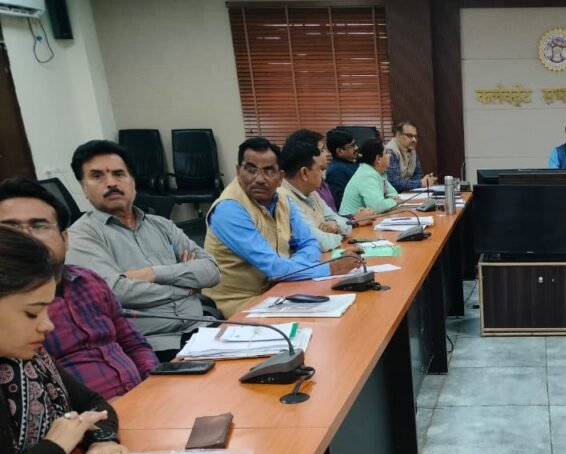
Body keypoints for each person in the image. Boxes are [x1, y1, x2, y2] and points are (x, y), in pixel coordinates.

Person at [0, 226, 131, 454]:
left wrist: (101, 442)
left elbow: (93, 404)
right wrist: (54, 446)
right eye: (32, 313)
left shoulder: (26, 356)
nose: (47, 325)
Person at [0, 179, 158, 399]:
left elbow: (134, 344)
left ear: (65, 238)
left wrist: (153, 384)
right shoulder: (10, 311)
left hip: (143, 397)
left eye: (39, 226)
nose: (26, 236)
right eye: (10, 228)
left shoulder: (89, 280)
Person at [66, 140, 222, 360]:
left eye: (119, 174)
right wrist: (187, 286)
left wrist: (152, 273)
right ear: (83, 188)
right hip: (150, 347)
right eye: (97, 176)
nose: (111, 182)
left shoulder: (162, 225)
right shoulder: (81, 236)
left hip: (202, 329)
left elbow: (211, 271)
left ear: (132, 182)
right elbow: (114, 291)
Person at [203, 137, 363, 318]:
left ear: (280, 177)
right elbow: (273, 267)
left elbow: (309, 243)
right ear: (238, 171)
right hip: (240, 304)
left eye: (268, 171)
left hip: (280, 290)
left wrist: (292, 269)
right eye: (251, 170)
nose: (259, 179)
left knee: (350, 309)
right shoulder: (229, 209)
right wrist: (331, 268)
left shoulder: (283, 198)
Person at [279, 138, 355, 252]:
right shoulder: (283, 198)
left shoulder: (312, 192)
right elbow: (320, 242)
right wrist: (339, 235)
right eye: (319, 169)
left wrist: (335, 225)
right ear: (304, 173)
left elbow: (346, 225)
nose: (322, 173)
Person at [339, 138, 402, 216]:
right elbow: (378, 207)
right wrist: (394, 202)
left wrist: (389, 201)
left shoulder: (378, 172)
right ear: (378, 159)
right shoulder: (366, 175)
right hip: (351, 221)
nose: (389, 155)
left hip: (367, 219)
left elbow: (393, 194)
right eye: (386, 152)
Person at [286, 128, 337, 211]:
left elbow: (331, 215)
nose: (327, 154)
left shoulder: (315, 189)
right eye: (322, 150)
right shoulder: (287, 198)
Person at [385, 120, 436, 192]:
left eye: (415, 136)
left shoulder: (411, 149)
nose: (414, 140)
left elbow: (418, 175)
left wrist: (424, 181)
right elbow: (395, 183)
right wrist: (421, 183)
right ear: (398, 135)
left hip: (406, 193)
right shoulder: (390, 152)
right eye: (409, 136)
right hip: (393, 195)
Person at [326, 128, 360, 204]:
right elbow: (342, 201)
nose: (356, 148)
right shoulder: (335, 171)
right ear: (340, 151)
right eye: (352, 146)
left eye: (355, 144)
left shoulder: (351, 163)